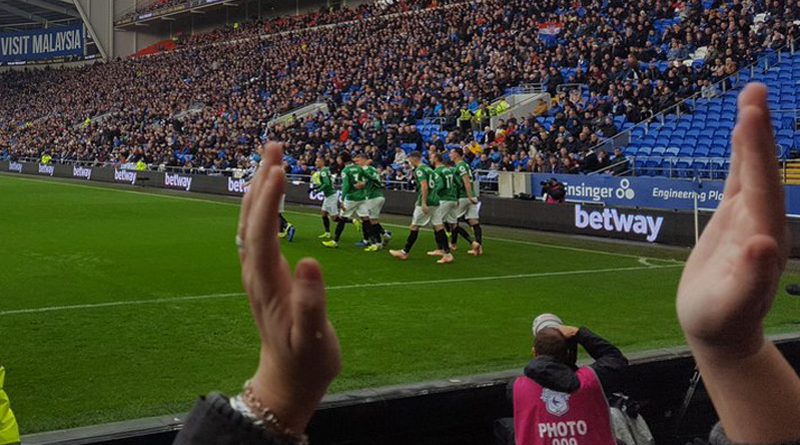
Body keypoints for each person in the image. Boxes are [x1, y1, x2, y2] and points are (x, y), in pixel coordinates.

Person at [174, 85, 800, 445]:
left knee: (445, 225)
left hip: (447, 201)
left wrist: (277, 396)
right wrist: (735, 354)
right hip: (457, 200)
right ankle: (454, 245)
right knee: (455, 226)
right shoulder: (589, 383)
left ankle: (445, 245)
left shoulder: (526, 390)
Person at [512, 314, 627, 445]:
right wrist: (580, 334)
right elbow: (615, 358)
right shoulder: (591, 381)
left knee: (506, 426)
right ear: (568, 352)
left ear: (534, 353)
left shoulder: (516, 388)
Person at [388, 151, 454, 264]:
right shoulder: (429, 169)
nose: (409, 162)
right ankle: (447, 253)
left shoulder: (419, 170)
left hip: (427, 201)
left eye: (409, 159)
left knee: (414, 226)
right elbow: (437, 182)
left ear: (414, 158)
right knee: (439, 226)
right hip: (435, 200)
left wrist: (423, 202)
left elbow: (424, 186)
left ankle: (404, 252)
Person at [322, 152, 368, 249]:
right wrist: (363, 185)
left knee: (342, 219)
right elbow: (366, 179)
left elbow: (346, 186)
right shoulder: (359, 167)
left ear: (342, 159)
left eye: (339, 158)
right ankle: (368, 240)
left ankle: (335, 241)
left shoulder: (346, 170)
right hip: (362, 197)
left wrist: (342, 199)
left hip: (351, 198)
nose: (337, 160)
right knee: (365, 219)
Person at [449, 147, 483, 256]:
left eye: (451, 152)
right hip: (470, 196)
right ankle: (478, 247)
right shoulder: (464, 165)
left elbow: (466, 181)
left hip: (464, 197)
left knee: (453, 222)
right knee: (474, 222)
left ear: (456, 154)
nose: (450, 155)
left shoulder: (461, 166)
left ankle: (471, 242)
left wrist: (468, 196)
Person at [358, 157, 391, 251]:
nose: (357, 163)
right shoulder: (373, 169)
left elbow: (363, 184)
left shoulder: (365, 170)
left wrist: (353, 186)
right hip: (379, 195)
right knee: (372, 220)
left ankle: (378, 243)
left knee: (371, 221)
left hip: (372, 196)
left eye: (359, 160)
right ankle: (385, 235)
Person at [430, 153, 459, 257]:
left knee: (436, 223)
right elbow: (458, 183)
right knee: (453, 223)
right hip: (453, 199)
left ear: (436, 159)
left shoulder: (437, 171)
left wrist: (432, 193)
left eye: (431, 157)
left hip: (444, 199)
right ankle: (454, 244)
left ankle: (441, 249)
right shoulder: (449, 170)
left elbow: (441, 184)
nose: (430, 159)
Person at [312, 157, 339, 240]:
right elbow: (326, 183)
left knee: (334, 218)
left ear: (322, 162)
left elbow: (327, 184)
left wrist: (318, 190)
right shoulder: (326, 170)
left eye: (318, 161)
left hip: (331, 196)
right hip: (328, 195)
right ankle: (327, 233)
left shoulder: (323, 171)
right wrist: (316, 188)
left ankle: (352, 221)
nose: (316, 162)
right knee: (323, 214)